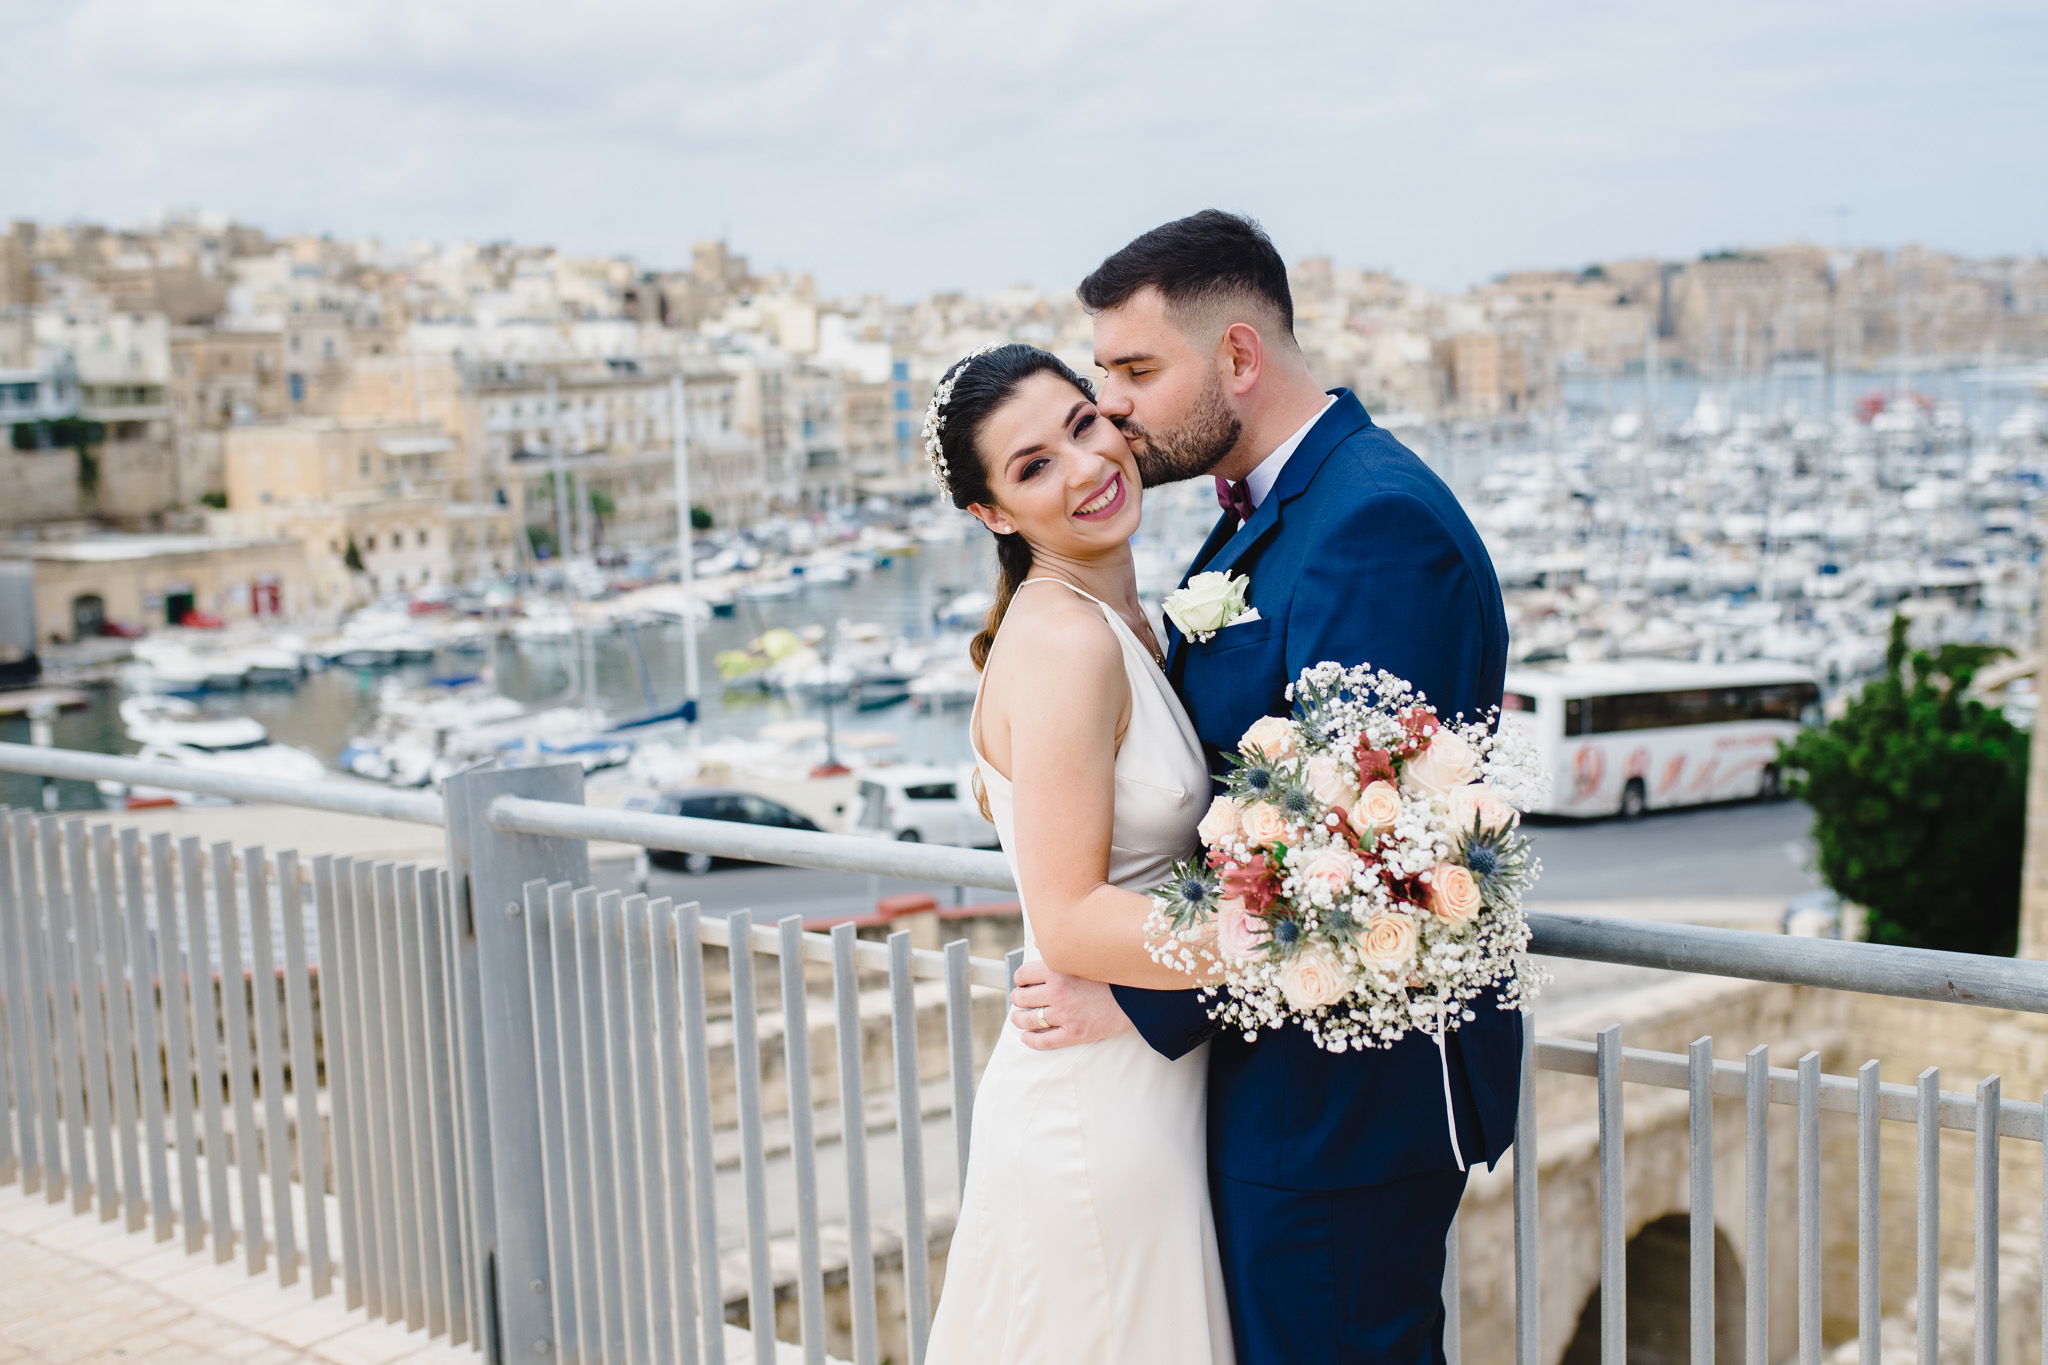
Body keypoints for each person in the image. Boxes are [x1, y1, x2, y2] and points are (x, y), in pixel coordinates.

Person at [1008, 210, 1523, 1363]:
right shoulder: (1259, 520)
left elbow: (1368, 856)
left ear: (1238, 357)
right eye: (1105, 374)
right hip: (1274, 1085)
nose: (1116, 409)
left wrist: (1141, 997)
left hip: (1341, 1107)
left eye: (1137, 370)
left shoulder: (1373, 524)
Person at [919, 343, 1235, 1363]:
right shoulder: (1064, 642)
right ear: (993, 516)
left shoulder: (1121, 620)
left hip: (1143, 1074)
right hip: (1099, 1106)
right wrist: (1293, 944)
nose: (1084, 467)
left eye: (1080, 424)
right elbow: (1068, 918)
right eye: (1030, 467)